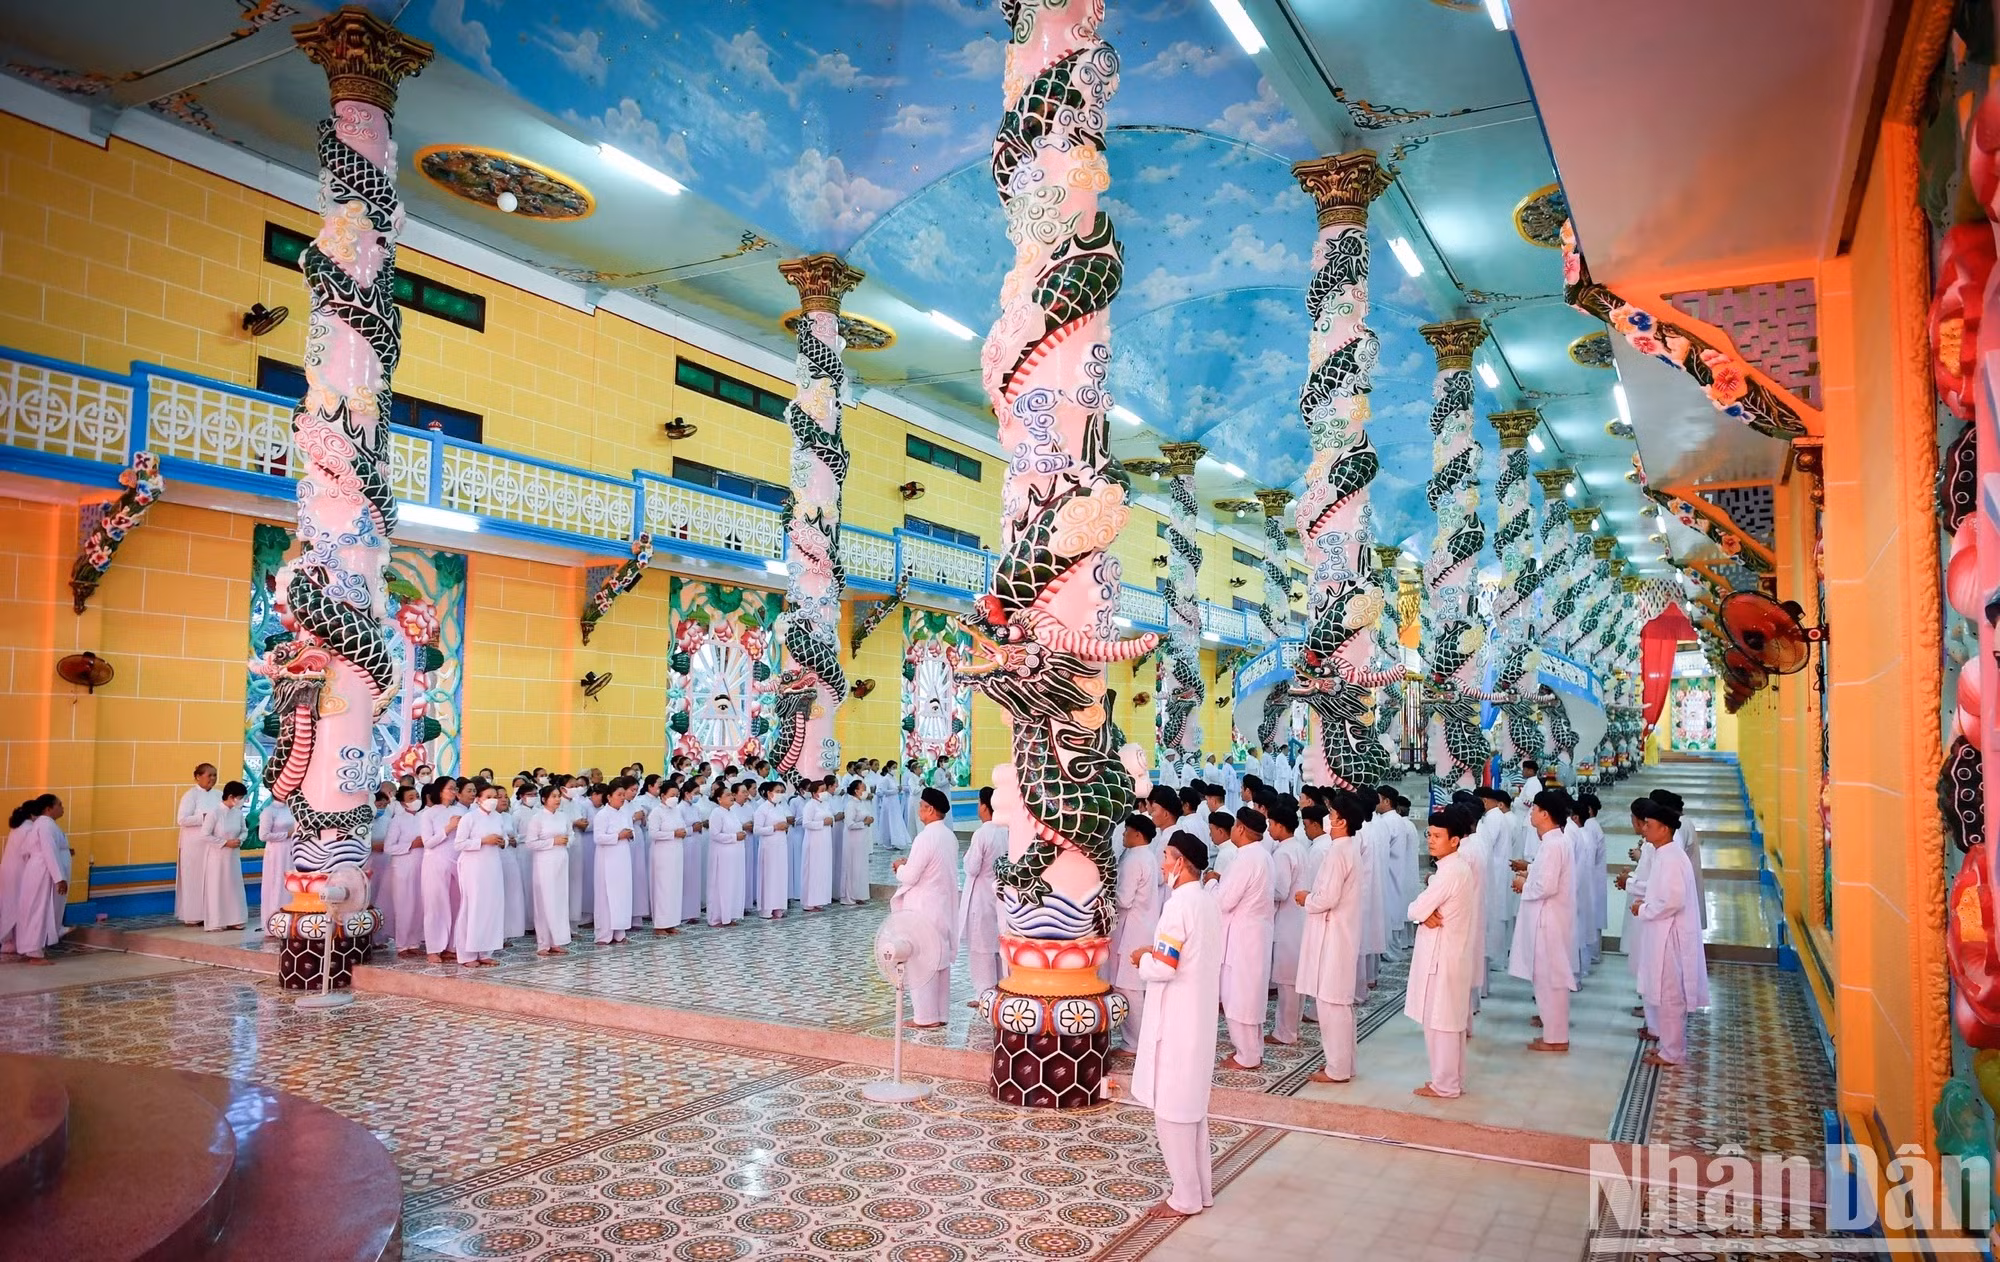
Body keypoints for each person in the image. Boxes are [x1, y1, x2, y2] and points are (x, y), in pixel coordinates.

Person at [1128, 832, 1222, 1220]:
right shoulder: (1206, 901)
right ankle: (1200, 1190)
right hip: (1198, 1018)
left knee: (1172, 1112)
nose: (1162, 864)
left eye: (1166, 857)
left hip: (1178, 1021)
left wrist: (1141, 960)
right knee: (1193, 1110)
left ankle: (1184, 1197)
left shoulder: (1178, 906)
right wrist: (1155, 954)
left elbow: (1165, 966)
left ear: (1181, 862)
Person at [1405, 804, 1478, 1099]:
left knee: (1442, 1022)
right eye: (1430, 835)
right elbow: (1424, 909)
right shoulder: (1452, 869)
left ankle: (1445, 1084)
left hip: (1443, 956)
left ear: (1455, 841)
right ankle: (1451, 1080)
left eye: (1437, 836)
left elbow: (1415, 908)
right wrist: (1425, 913)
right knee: (1448, 1021)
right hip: (1448, 954)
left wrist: (1422, 912)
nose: (1431, 840)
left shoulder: (1450, 873)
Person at [1630, 797, 1709, 1067]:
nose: (1644, 829)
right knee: (1664, 993)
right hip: (1662, 932)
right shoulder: (1665, 854)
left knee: (1671, 995)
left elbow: (1672, 901)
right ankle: (1667, 1046)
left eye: (1649, 825)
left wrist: (1644, 909)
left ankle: (1673, 1052)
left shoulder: (1673, 858)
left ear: (1664, 828)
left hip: (1671, 936)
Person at [1296, 792, 1367, 1082]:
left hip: (1335, 934)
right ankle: (1344, 1065)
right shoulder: (1346, 848)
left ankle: (1337, 1069)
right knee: (1338, 1004)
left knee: (1331, 1004)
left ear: (1341, 820)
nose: (1328, 818)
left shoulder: (1339, 851)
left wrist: (1306, 898)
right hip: (1338, 932)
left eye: (1332, 814)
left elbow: (1328, 897)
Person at [1509, 789, 1578, 1053]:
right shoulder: (1552, 842)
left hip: (1549, 920)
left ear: (1545, 814)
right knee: (1545, 977)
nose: (1531, 813)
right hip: (1547, 918)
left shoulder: (1554, 844)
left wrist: (1523, 885)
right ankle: (1552, 1033)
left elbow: (1546, 886)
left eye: (1534, 809)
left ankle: (1557, 1037)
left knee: (1552, 978)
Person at [891, 787, 959, 1028]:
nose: (918, 810)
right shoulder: (948, 836)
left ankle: (925, 1017)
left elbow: (909, 876)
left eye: (921, 806)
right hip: (941, 905)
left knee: (921, 960)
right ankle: (940, 1015)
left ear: (930, 810)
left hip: (923, 908)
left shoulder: (925, 837)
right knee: (939, 960)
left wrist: (900, 866)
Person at [1214, 806, 1275, 1071]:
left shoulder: (1246, 860)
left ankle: (1246, 1055)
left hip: (1242, 938)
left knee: (1238, 997)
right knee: (1249, 994)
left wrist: (1212, 883)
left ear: (1240, 828)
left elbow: (1224, 901)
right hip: (1254, 934)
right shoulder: (1262, 856)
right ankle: (1252, 1049)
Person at [1108, 812, 1161, 1055]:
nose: (1123, 835)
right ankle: (1139, 1040)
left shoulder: (1133, 859)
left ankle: (1135, 1042)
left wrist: (1103, 896)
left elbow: (1124, 899)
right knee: (1135, 988)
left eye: (1126, 831)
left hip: (1132, 930)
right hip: (1144, 926)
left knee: (1129, 989)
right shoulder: (1149, 856)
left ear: (1137, 834)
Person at [1, 796, 68, 962]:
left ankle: (29, 947)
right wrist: (59, 878)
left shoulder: (40, 824)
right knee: (38, 910)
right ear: (48, 808)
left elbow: (27, 849)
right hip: (41, 871)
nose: (62, 808)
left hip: (37, 869)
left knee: (33, 909)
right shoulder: (45, 825)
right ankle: (34, 952)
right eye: (59, 805)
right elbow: (49, 851)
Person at [1266, 804, 1311, 1046]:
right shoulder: (1299, 847)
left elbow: (1280, 890)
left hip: (1288, 920)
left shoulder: (1283, 852)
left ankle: (1285, 1032)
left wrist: (1260, 890)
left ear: (1281, 826)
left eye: (1271, 824)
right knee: (1295, 979)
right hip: (1298, 918)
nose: (1269, 828)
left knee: (1286, 980)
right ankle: (1291, 1028)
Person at [957, 788, 1006, 998]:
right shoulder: (1007, 830)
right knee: (997, 945)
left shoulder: (983, 833)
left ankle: (984, 994)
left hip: (981, 895)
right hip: (1000, 895)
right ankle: (1000, 988)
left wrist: (967, 856)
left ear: (985, 806)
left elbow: (972, 867)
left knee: (981, 949)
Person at [455, 784, 509, 966]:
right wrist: (483, 841)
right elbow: (459, 843)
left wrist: (503, 842)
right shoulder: (469, 818)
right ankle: (466, 954)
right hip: (473, 867)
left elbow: (505, 837)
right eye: (488, 796)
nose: (493, 800)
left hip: (492, 865)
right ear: (478, 799)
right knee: (473, 907)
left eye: (496, 796)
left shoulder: (498, 817)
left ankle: (485, 951)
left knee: (491, 906)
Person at [419, 778, 465, 962]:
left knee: (457, 904)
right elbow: (427, 842)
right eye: (450, 788)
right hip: (435, 862)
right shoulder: (428, 814)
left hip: (457, 861)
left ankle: (451, 945)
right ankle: (433, 947)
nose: (453, 791)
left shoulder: (461, 811)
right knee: (435, 905)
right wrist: (449, 828)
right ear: (440, 791)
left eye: (455, 789)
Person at [523, 784, 572, 955]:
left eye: (559, 796)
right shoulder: (537, 818)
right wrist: (553, 842)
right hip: (544, 862)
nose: (557, 799)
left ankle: (557, 940)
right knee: (545, 900)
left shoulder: (564, 817)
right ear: (544, 799)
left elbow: (571, 835)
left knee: (559, 900)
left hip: (561, 860)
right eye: (553, 796)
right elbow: (530, 843)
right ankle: (543, 942)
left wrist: (566, 841)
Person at [199, 781, 249, 932]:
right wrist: (224, 843)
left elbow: (244, 830)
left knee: (233, 886)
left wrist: (240, 839)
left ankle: (235, 919)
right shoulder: (214, 813)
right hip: (217, 856)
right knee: (217, 887)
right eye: (240, 797)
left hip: (233, 856)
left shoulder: (238, 813)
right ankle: (216, 921)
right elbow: (205, 835)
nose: (242, 801)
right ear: (231, 796)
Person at [175, 763, 221, 926]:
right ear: (198, 777)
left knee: (211, 878)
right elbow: (182, 819)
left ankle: (210, 913)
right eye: (209, 775)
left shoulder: (219, 795)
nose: (213, 779)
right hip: (193, 845)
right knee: (193, 878)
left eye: (215, 775)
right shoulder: (190, 795)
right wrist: (205, 817)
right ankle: (193, 915)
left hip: (212, 844)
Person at [592, 777, 636, 944]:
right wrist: (618, 836)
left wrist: (629, 834)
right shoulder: (602, 815)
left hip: (623, 857)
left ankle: (620, 932)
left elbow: (632, 831)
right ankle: (604, 934)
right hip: (607, 859)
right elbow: (598, 837)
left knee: (622, 894)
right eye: (619, 795)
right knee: (607, 895)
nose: (622, 798)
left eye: (624, 795)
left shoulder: (625, 814)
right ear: (609, 797)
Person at [383, 785, 425, 955]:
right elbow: (388, 847)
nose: (415, 800)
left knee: (419, 905)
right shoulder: (397, 820)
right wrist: (410, 845)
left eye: (417, 796)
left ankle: (414, 943)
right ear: (402, 802)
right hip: (402, 868)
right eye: (410, 798)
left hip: (422, 866)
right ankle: (402, 945)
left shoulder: (424, 817)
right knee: (404, 905)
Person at [706, 781, 747, 927]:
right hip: (722, 855)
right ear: (719, 799)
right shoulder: (717, 813)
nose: (731, 797)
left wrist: (739, 835)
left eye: (731, 795)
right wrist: (734, 837)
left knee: (732, 884)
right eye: (728, 795)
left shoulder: (732, 812)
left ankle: (730, 916)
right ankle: (717, 917)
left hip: (734, 854)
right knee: (721, 885)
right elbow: (715, 835)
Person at [254, 794, 295, 936]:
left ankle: (290, 920)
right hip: (276, 852)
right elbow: (263, 835)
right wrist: (286, 835)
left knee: (289, 883)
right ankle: (273, 921)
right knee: (275, 883)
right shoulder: (269, 811)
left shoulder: (292, 808)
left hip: (291, 850)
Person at [650, 780, 687, 933]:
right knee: (663, 888)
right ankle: (660, 924)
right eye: (672, 795)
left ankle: (671, 923)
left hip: (676, 853)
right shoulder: (656, 812)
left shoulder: (677, 810)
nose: (675, 798)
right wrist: (673, 834)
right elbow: (653, 833)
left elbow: (683, 826)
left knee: (674, 888)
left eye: (677, 795)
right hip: (662, 855)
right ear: (663, 795)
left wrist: (683, 832)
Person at [752, 781, 790, 919]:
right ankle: (766, 908)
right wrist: (774, 828)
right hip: (768, 848)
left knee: (779, 876)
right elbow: (757, 830)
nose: (780, 794)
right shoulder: (762, 809)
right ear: (769, 793)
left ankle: (778, 906)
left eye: (781, 791)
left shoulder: (780, 808)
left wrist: (784, 827)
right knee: (769, 877)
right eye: (777, 791)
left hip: (781, 846)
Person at [800, 779, 835, 912]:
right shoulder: (810, 806)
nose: (825, 792)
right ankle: (809, 902)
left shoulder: (826, 804)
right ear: (814, 793)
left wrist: (830, 821)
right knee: (812, 870)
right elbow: (806, 823)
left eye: (825, 789)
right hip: (813, 842)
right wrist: (822, 823)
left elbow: (830, 818)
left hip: (825, 841)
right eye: (822, 790)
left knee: (822, 870)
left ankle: (819, 900)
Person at [838, 779, 874, 905]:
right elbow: (849, 824)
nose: (865, 791)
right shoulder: (850, 805)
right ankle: (850, 895)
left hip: (861, 839)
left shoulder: (861, 803)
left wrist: (870, 820)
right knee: (852, 866)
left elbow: (866, 816)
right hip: (852, 840)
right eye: (863, 789)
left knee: (861, 867)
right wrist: (864, 823)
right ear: (856, 791)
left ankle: (860, 894)